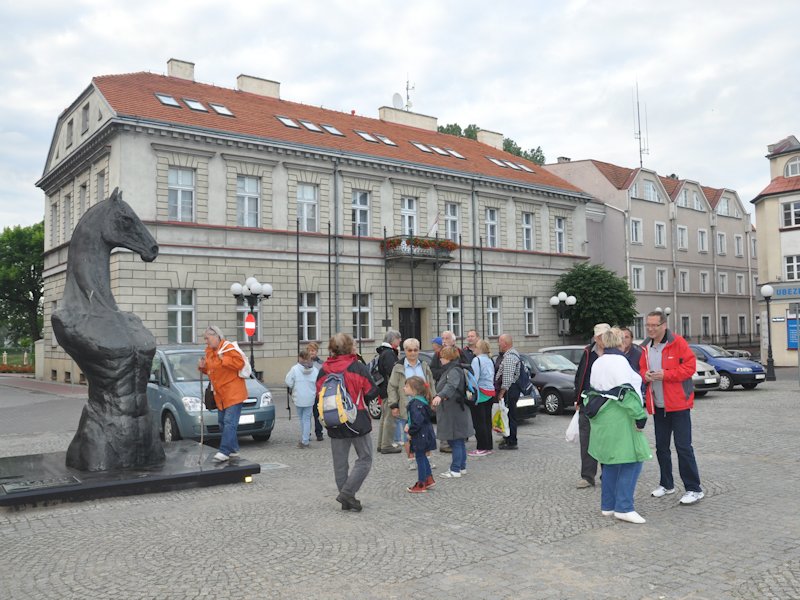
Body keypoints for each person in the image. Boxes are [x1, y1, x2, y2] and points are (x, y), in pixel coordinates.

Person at [584, 327, 652, 524]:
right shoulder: (620, 362)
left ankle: (608, 505)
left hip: (602, 416)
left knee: (611, 462)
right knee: (633, 460)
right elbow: (627, 393)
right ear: (621, 342)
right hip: (620, 417)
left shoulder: (599, 361)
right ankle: (624, 507)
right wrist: (640, 416)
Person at [639, 310, 704, 505]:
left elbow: (690, 368)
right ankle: (667, 484)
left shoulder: (677, 343)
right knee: (661, 447)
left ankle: (694, 489)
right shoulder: (645, 347)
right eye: (648, 325)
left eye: (654, 325)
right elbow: (640, 369)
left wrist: (665, 375)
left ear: (663, 325)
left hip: (678, 405)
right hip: (658, 405)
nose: (650, 328)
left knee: (683, 447)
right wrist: (646, 375)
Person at [316, 332, 378, 512]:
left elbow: (318, 393)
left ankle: (346, 499)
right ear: (350, 347)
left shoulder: (324, 368)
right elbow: (371, 391)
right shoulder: (356, 367)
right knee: (365, 458)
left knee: (340, 462)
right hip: (356, 417)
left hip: (333, 417)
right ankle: (347, 493)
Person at [198, 326, 247, 462]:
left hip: (233, 393)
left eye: (207, 338)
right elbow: (211, 370)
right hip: (220, 395)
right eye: (205, 338)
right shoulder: (209, 352)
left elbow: (239, 363)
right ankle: (234, 449)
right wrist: (202, 367)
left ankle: (224, 451)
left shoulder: (228, 348)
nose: (206, 341)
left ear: (216, 336)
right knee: (222, 423)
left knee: (229, 422)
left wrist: (224, 359)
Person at [386, 338, 437, 470]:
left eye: (415, 350)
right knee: (408, 434)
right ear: (405, 351)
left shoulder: (424, 365)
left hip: (423, 406)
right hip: (406, 406)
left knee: (426, 433)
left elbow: (431, 383)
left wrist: (433, 399)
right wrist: (393, 405)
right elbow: (392, 387)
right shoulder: (398, 367)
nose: (413, 353)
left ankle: (428, 459)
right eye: (410, 350)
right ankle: (411, 460)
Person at [573, 323, 611, 487]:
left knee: (607, 441)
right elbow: (580, 375)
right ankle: (588, 476)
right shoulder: (589, 352)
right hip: (588, 402)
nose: (600, 339)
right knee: (586, 440)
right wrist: (578, 399)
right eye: (598, 336)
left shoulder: (614, 354)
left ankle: (608, 474)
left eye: (603, 336)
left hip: (608, 404)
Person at [432, 346, 473, 477]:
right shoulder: (455, 368)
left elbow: (451, 386)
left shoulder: (454, 370)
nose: (440, 360)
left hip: (454, 410)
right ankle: (462, 467)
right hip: (457, 409)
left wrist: (440, 396)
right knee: (459, 440)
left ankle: (455, 469)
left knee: (455, 440)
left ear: (448, 358)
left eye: (442, 357)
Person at [403, 376, 438, 493]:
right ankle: (429, 479)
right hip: (426, 433)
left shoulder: (415, 403)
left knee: (420, 457)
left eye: (406, 386)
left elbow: (417, 421)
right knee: (423, 456)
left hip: (420, 434)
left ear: (414, 389)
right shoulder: (422, 400)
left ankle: (421, 483)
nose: (404, 388)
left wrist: (410, 432)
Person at [285, 350, 319, 449]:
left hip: (298, 397)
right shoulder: (315, 370)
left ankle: (304, 439)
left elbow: (288, 382)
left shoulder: (295, 369)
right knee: (307, 418)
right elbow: (318, 382)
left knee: (302, 418)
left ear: (300, 358)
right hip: (310, 397)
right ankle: (305, 440)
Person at [494, 333, 522, 450]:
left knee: (510, 415)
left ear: (505, 343)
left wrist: (501, 392)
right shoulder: (510, 354)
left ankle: (511, 441)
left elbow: (508, 378)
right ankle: (507, 437)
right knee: (508, 414)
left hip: (510, 390)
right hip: (510, 389)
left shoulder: (510, 357)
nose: (498, 343)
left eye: (500, 341)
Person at [468, 339, 495, 456]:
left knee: (479, 422)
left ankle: (481, 447)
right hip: (490, 392)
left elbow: (475, 378)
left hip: (480, 393)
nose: (473, 348)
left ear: (479, 349)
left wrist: (469, 389)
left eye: (475, 346)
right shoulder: (489, 360)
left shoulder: (476, 360)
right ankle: (489, 446)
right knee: (487, 421)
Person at [376, 330, 402, 454]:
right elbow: (393, 373)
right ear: (392, 340)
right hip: (389, 389)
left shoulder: (383, 352)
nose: (400, 341)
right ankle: (386, 444)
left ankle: (382, 443)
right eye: (398, 338)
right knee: (389, 418)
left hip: (383, 388)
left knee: (384, 417)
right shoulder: (389, 354)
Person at [306, 342, 325, 442]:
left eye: (313, 350)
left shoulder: (321, 363)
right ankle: (307, 433)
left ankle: (319, 433)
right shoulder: (304, 363)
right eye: (309, 351)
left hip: (318, 392)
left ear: (316, 351)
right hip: (308, 392)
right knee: (307, 414)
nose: (311, 353)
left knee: (318, 414)